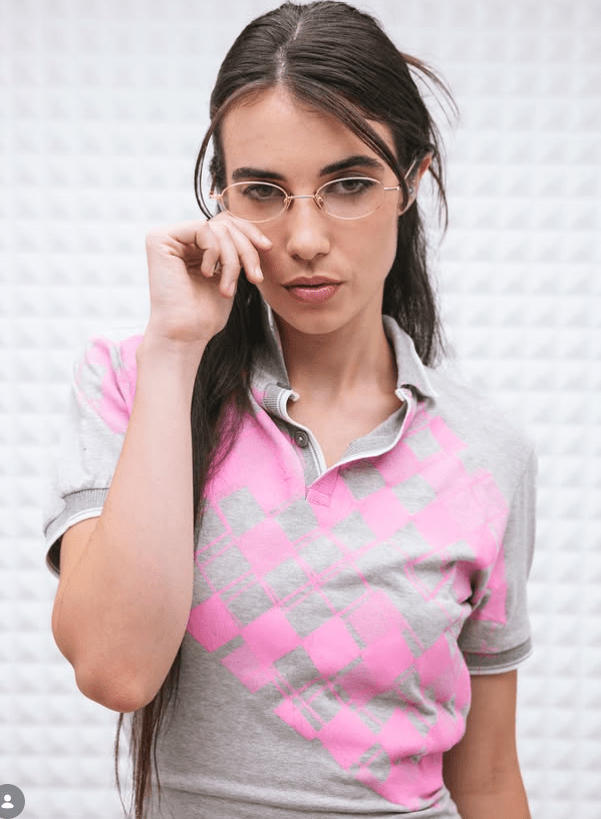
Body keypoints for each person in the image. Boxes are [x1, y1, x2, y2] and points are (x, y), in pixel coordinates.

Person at [42, 2, 536, 818]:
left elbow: (483, 777)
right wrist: (175, 348)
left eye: (348, 184)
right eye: (263, 191)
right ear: (221, 199)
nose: (304, 238)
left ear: (411, 182)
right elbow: (115, 669)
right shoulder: (135, 379)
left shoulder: (487, 452)